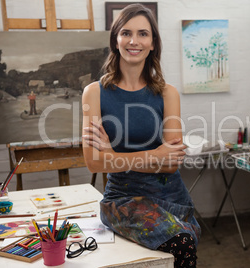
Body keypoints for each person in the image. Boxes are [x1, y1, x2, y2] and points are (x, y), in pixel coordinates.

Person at [82, 4, 200, 267]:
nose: (134, 41)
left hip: (172, 195)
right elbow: (93, 163)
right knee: (182, 243)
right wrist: (155, 154)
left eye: (143, 34)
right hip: (123, 199)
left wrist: (113, 155)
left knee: (185, 244)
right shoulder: (94, 93)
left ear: (153, 43)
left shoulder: (168, 94)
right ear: (115, 40)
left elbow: (171, 164)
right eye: (126, 33)